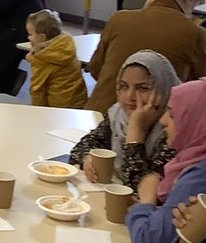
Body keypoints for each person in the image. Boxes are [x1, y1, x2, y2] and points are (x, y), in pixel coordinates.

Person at [126, 78, 206, 243]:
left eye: (172, 115)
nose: (163, 121)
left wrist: (145, 202)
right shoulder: (195, 156)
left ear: (200, 123)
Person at [86, 0, 206, 113]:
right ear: (187, 2)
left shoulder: (119, 18)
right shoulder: (195, 32)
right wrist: (186, 18)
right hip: (153, 120)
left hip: (99, 112)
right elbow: (199, 80)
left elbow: (95, 68)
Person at [69, 51, 180, 186]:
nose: (130, 96)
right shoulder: (118, 114)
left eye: (143, 88)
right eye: (124, 86)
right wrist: (87, 158)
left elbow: (141, 188)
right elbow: (82, 147)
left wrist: (135, 131)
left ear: (164, 89)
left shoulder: (174, 128)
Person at [25, 9, 88, 109]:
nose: (28, 38)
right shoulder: (67, 43)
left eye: (30, 34)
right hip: (79, 100)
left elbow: (37, 89)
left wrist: (37, 111)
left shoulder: (42, 59)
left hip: (57, 106)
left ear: (42, 37)